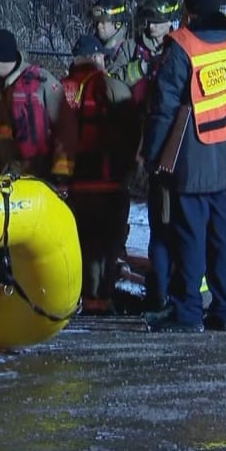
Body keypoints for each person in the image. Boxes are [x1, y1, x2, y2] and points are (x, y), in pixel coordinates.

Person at [141, 0, 226, 332]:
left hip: (193, 160)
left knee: (189, 238)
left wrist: (152, 157)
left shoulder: (182, 46)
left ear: (189, 8)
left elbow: (164, 108)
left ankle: (189, 312)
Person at [61, 34, 135, 314]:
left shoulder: (60, 88)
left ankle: (79, 296)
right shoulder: (113, 87)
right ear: (95, 58)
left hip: (74, 182)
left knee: (81, 241)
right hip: (109, 181)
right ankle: (99, 299)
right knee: (107, 244)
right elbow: (131, 131)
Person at [0, 28, 73, 184]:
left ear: (1, 59)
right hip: (3, 179)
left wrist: (61, 175)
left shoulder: (41, 83)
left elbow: (66, 126)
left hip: (39, 179)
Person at [123, 0, 181, 106]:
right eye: (149, 21)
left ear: (170, 21)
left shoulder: (178, 48)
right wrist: (140, 68)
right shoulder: (131, 46)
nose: (151, 26)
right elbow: (114, 80)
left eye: (156, 22)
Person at [88, 0, 132, 80]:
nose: (99, 26)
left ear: (117, 23)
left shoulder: (131, 49)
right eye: (96, 22)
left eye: (103, 22)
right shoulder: (90, 46)